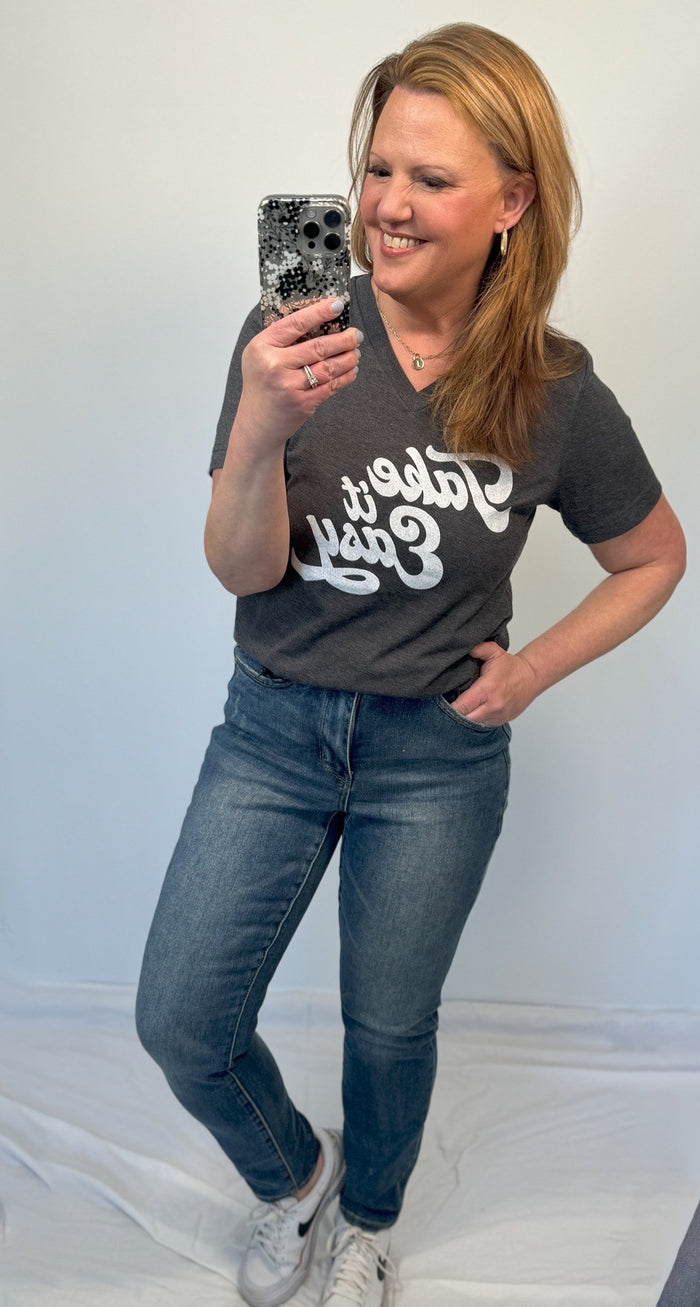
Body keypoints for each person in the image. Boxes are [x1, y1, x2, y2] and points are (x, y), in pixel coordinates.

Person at [135, 22, 685, 1307]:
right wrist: (261, 426)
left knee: (388, 1023)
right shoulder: (292, 330)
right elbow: (240, 570)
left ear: (512, 200)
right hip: (273, 729)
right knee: (181, 1018)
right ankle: (298, 1175)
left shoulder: (552, 387)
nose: (384, 204)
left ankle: (369, 1218)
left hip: (436, 757)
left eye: (429, 179)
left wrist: (530, 671)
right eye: (376, 168)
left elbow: (654, 555)